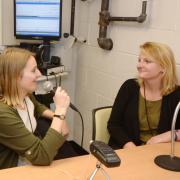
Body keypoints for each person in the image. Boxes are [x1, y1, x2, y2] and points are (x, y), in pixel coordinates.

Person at [0, 47, 75, 169]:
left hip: (30, 163)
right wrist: (60, 111)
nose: (39, 74)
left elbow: (37, 106)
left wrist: (53, 116)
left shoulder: (25, 95)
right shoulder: (2, 114)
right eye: (34, 70)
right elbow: (42, 156)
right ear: (15, 76)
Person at [107, 42, 180, 149]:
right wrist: (129, 146)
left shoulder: (176, 94)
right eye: (139, 60)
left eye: (147, 61)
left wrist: (170, 135)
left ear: (163, 67)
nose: (139, 65)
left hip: (161, 152)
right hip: (128, 149)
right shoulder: (129, 87)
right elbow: (113, 124)